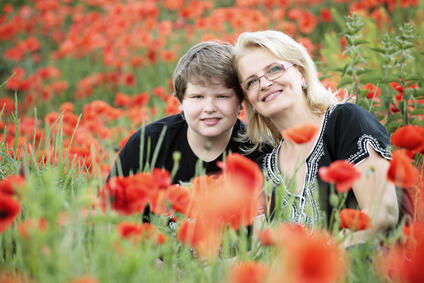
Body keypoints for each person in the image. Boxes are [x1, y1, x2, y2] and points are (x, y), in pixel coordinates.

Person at [232, 30, 399, 246]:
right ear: (249, 99)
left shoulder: (344, 122)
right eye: (252, 82)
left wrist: (315, 255)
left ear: (300, 72)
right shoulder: (265, 167)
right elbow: (258, 251)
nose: (264, 84)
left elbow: (381, 215)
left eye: (274, 69)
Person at [108, 41, 270, 186]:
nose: (209, 108)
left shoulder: (259, 151)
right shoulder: (147, 144)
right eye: (197, 97)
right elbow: (109, 208)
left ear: (241, 102)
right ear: (180, 102)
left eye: (222, 96)